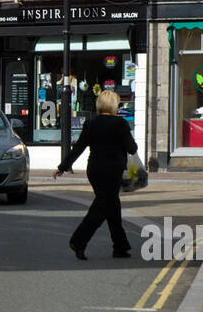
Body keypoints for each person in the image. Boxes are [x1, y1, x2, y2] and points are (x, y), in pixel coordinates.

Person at [53, 89, 139, 260]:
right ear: (114, 105)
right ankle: (78, 241)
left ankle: (120, 247)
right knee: (101, 208)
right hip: (112, 171)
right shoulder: (120, 124)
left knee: (112, 206)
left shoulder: (90, 124)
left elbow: (78, 148)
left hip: (95, 170)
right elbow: (132, 148)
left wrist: (62, 167)